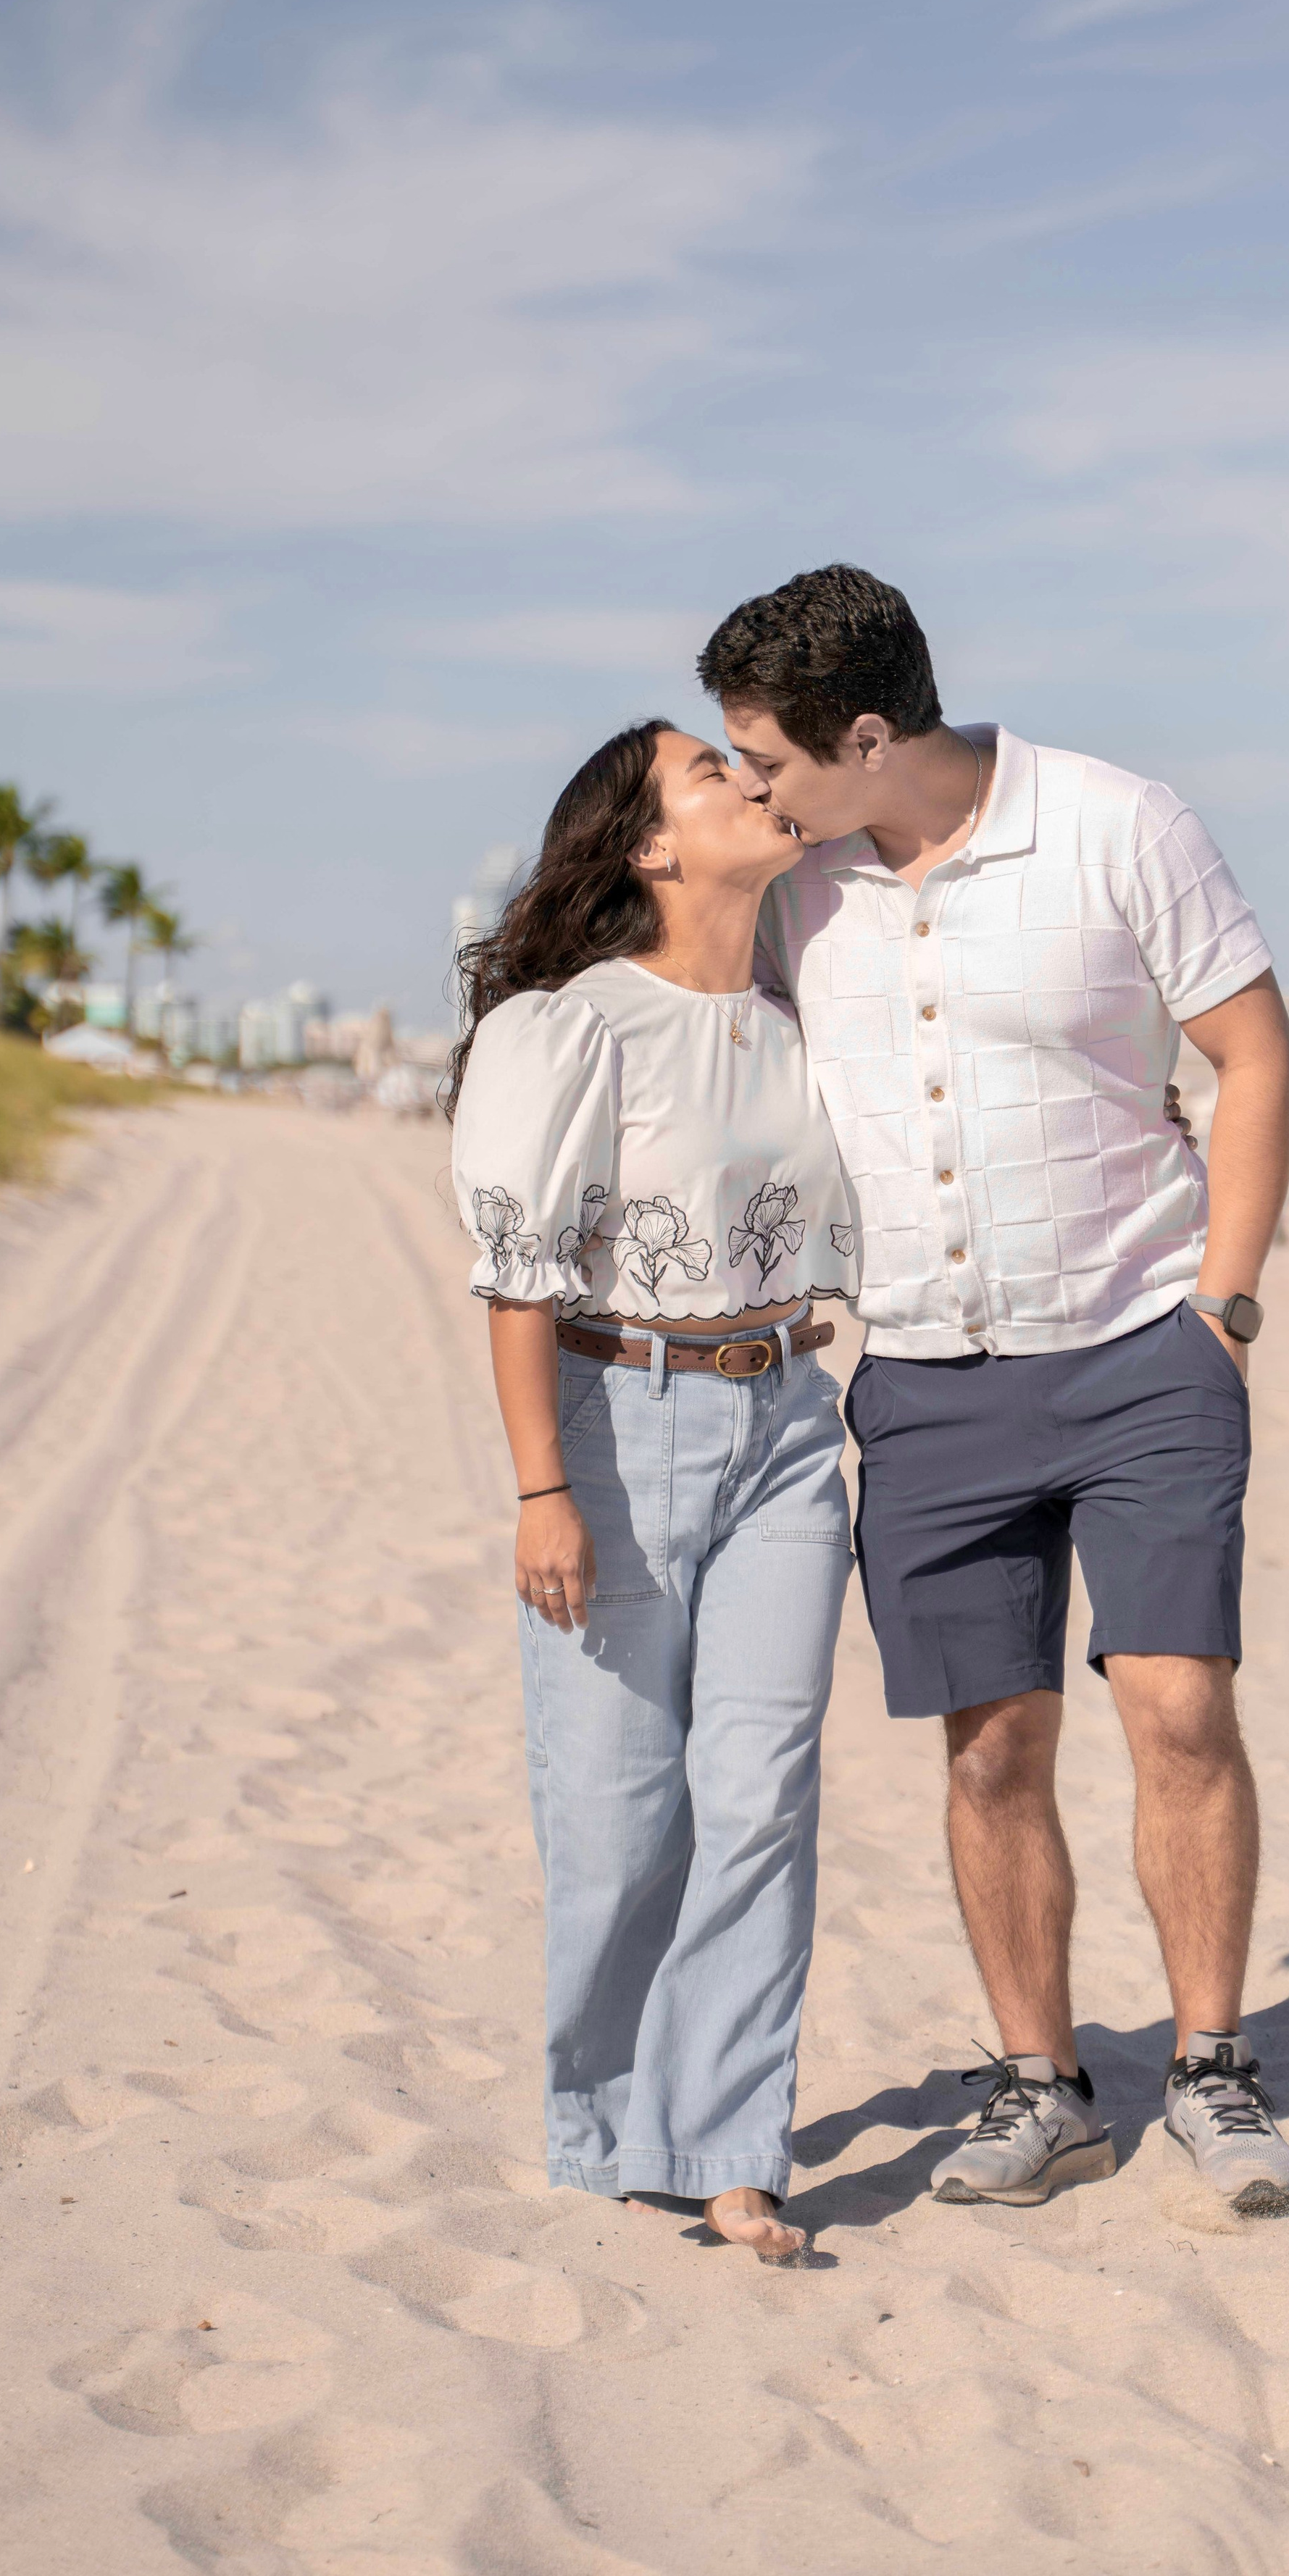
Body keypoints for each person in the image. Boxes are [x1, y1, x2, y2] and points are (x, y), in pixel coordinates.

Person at [697, 566, 1289, 2215]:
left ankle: (1211, 2068)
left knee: (1177, 1703)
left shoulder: (1120, 824)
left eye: (768, 758)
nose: (752, 786)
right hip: (924, 1376)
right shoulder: (796, 888)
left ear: (870, 734)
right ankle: (1043, 2083)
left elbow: (1253, 1054)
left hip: (1139, 1346)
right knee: (989, 1748)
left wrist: (1223, 1308)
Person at [446, 719, 858, 2262]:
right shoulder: (573, 1027)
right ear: (647, 847)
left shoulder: (814, 1014)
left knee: (757, 1799)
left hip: (785, 1431)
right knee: (617, 1819)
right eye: (710, 772)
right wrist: (540, 1485)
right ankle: (616, 2126)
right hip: (611, 1424)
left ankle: (729, 2145)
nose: (756, 782)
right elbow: (514, 1276)